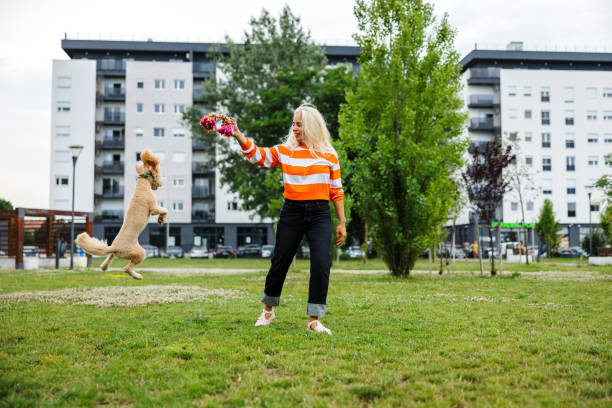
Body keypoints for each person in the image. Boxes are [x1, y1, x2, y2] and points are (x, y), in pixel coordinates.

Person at [231, 104, 346, 335]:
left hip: (320, 214)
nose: (294, 128)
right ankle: (267, 311)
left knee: (322, 265)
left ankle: (314, 320)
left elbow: (336, 190)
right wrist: (239, 136)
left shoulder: (329, 154)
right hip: (291, 212)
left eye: (299, 124)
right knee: (280, 262)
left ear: (311, 126)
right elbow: (258, 156)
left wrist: (342, 222)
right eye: (293, 123)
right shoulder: (285, 151)